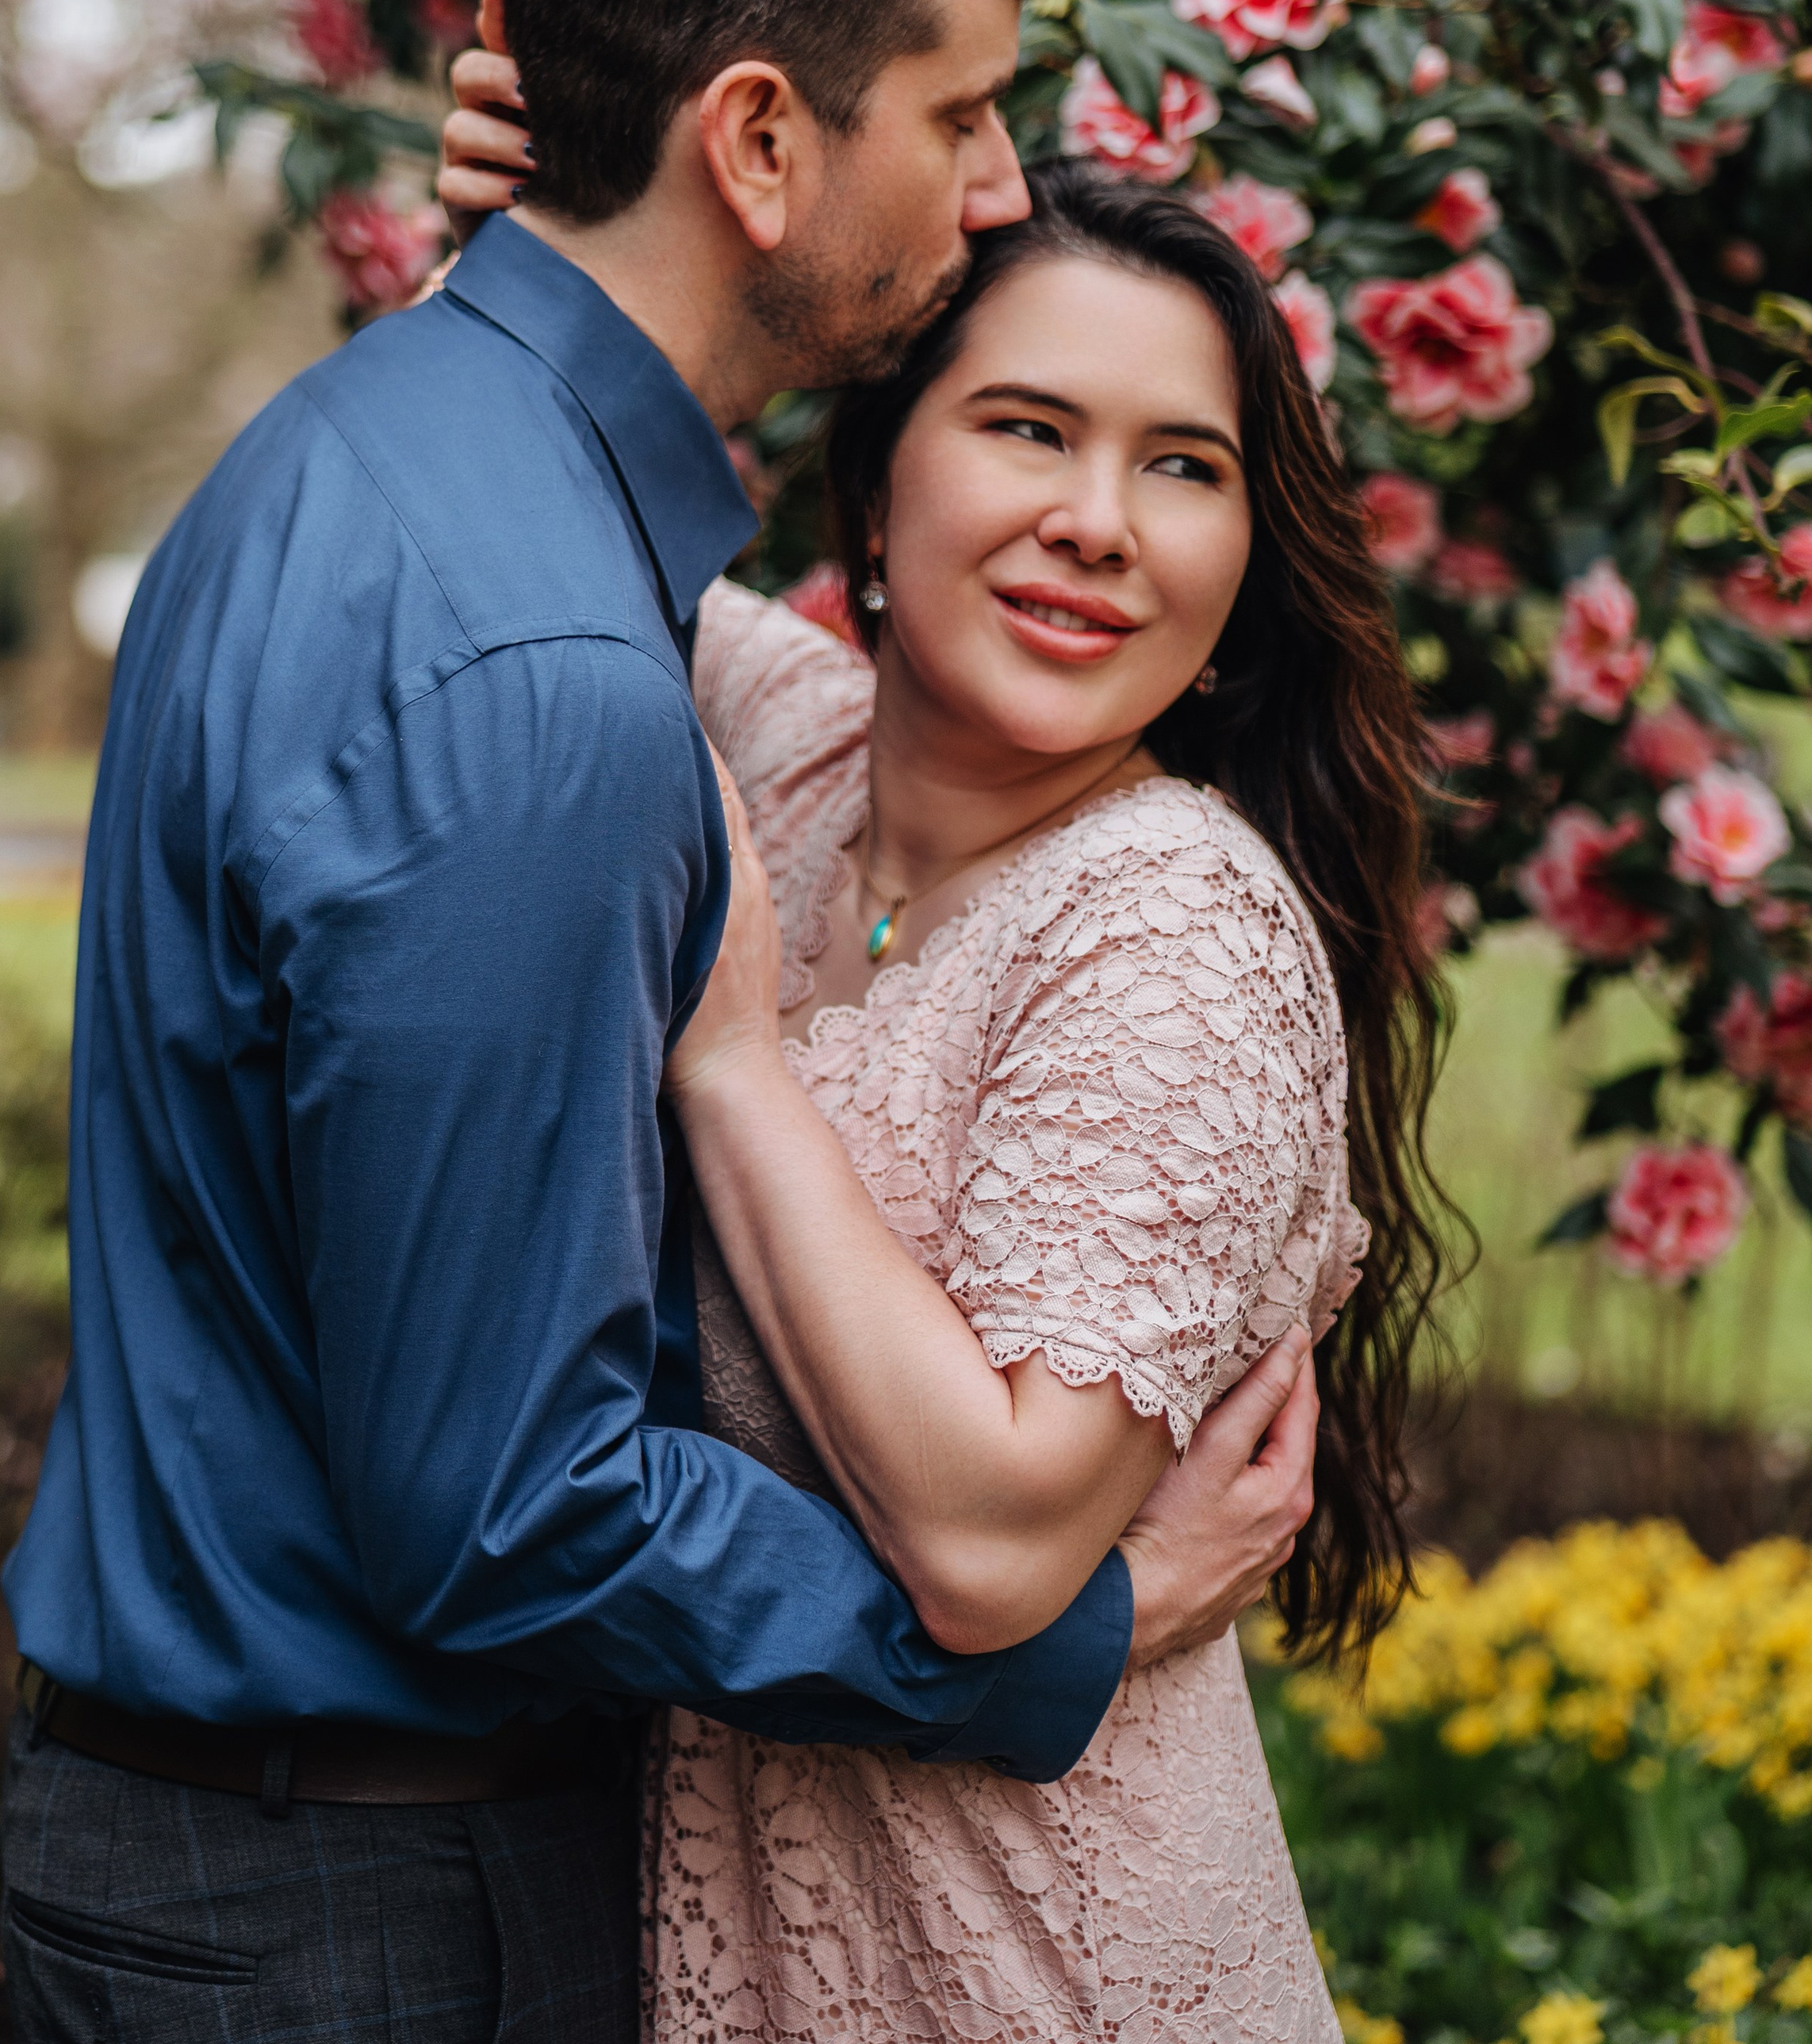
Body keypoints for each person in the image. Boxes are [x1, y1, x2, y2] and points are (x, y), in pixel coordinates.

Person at [0, 0, 1318, 2044]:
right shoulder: (547, 673)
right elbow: (507, 1510)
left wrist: (521, 229)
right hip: (360, 1913)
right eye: (961, 113)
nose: (1000, 187)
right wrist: (1053, 1641)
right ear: (763, 139)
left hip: (263, 1849)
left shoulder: (359, 458)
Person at [437, 121, 1451, 2037]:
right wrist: (532, 194)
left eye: (1182, 465)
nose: (1099, 520)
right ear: (875, 483)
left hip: (1046, 1980)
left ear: (1238, 563)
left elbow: (992, 1548)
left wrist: (731, 1064)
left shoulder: (1170, 930)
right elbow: (533, 476)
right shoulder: (797, 760)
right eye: (1026, 428)